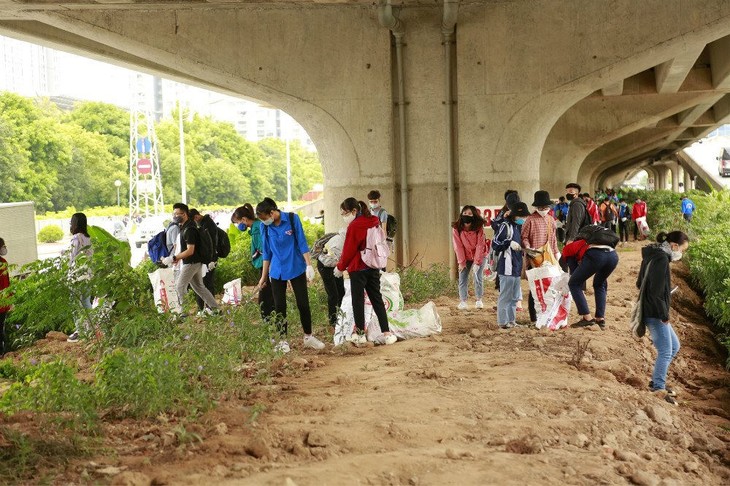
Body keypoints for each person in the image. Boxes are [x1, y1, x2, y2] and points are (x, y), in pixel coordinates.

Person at [256, 198, 325, 352]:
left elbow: (302, 242)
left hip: (296, 267)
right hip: (277, 271)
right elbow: (266, 253)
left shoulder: (292, 219)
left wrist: (309, 265)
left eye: (265, 217)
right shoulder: (264, 227)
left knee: (303, 303)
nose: (264, 221)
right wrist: (263, 277)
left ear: (272, 212)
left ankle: (308, 336)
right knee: (279, 306)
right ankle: (282, 341)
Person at [334, 198, 397, 345]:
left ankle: (361, 334)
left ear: (354, 211)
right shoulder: (374, 221)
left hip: (358, 268)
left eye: (345, 213)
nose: (344, 216)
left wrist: (340, 267)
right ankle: (387, 334)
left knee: (358, 300)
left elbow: (348, 251)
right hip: (374, 265)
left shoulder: (354, 226)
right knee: (377, 299)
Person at [637, 231, 689, 406]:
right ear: (674, 245)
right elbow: (657, 291)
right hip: (655, 312)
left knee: (674, 346)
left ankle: (656, 381)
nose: (681, 253)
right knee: (666, 351)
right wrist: (663, 314)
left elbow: (641, 283)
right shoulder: (660, 258)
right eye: (682, 249)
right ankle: (658, 388)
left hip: (653, 308)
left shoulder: (655, 254)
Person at [161, 203, 220, 316]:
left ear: (185, 214)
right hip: (192, 262)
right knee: (199, 287)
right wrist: (176, 258)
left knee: (179, 286)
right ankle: (215, 308)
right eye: (174, 214)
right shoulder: (184, 228)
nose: (175, 216)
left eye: (178, 214)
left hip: (191, 262)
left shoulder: (189, 230)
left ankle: (184, 312)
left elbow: (190, 250)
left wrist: (174, 257)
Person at [521, 191, 559, 325]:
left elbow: (553, 239)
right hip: (534, 258)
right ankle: (533, 318)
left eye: (546, 207)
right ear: (536, 207)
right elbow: (524, 236)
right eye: (541, 207)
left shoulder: (551, 220)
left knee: (549, 287)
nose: (543, 210)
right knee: (534, 288)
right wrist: (528, 247)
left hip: (549, 258)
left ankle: (546, 314)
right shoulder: (530, 220)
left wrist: (556, 253)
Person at [568, 230, 619, 330]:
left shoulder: (568, 249)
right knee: (599, 284)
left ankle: (587, 318)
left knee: (573, 284)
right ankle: (600, 319)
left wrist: (580, 285)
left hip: (596, 255)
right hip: (613, 256)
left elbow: (573, 270)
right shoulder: (594, 240)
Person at [231, 204, 275, 321]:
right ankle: (273, 319)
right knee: (270, 294)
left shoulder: (257, 229)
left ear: (244, 220)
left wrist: (265, 274)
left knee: (264, 297)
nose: (238, 226)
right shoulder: (257, 225)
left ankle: (268, 321)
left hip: (267, 265)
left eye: (238, 223)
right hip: (268, 264)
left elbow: (264, 251)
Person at [493, 202, 531, 329]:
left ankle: (511, 321)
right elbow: (495, 243)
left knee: (514, 297)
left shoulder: (517, 227)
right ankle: (502, 322)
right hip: (507, 266)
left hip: (516, 266)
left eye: (525, 216)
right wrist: (509, 243)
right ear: (514, 215)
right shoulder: (505, 226)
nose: (523, 218)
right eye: (521, 216)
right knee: (505, 296)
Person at [452, 205, 487, 310]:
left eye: (470, 214)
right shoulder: (456, 228)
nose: (467, 215)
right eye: (465, 213)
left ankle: (479, 300)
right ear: (461, 214)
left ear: (474, 216)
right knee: (462, 277)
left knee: (478, 276)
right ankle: (463, 301)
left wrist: (477, 262)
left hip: (480, 254)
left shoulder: (479, 227)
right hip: (465, 256)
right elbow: (458, 246)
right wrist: (461, 262)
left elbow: (480, 245)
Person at [66, 213, 94, 343]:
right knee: (86, 302)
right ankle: (91, 329)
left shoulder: (76, 238)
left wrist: (66, 273)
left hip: (76, 276)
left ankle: (80, 331)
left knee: (75, 303)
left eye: (71, 222)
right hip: (87, 274)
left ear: (75, 224)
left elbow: (71, 258)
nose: (70, 225)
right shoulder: (88, 238)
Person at [315, 226, 347, 327]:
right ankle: (333, 322)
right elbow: (329, 260)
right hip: (325, 265)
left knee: (341, 291)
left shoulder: (345, 241)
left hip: (335, 265)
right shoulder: (338, 243)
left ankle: (341, 318)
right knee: (333, 294)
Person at [189, 208, 219, 314]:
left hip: (210, 259)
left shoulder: (207, 225)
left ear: (196, 217)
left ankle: (209, 308)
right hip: (208, 259)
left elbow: (210, 244)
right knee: (203, 283)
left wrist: (211, 260)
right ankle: (205, 307)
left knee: (206, 283)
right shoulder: (204, 223)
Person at [0, 238, 9, 355]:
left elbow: (7, 285)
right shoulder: (3, 263)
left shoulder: (4, 263)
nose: (4, 248)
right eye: (3, 245)